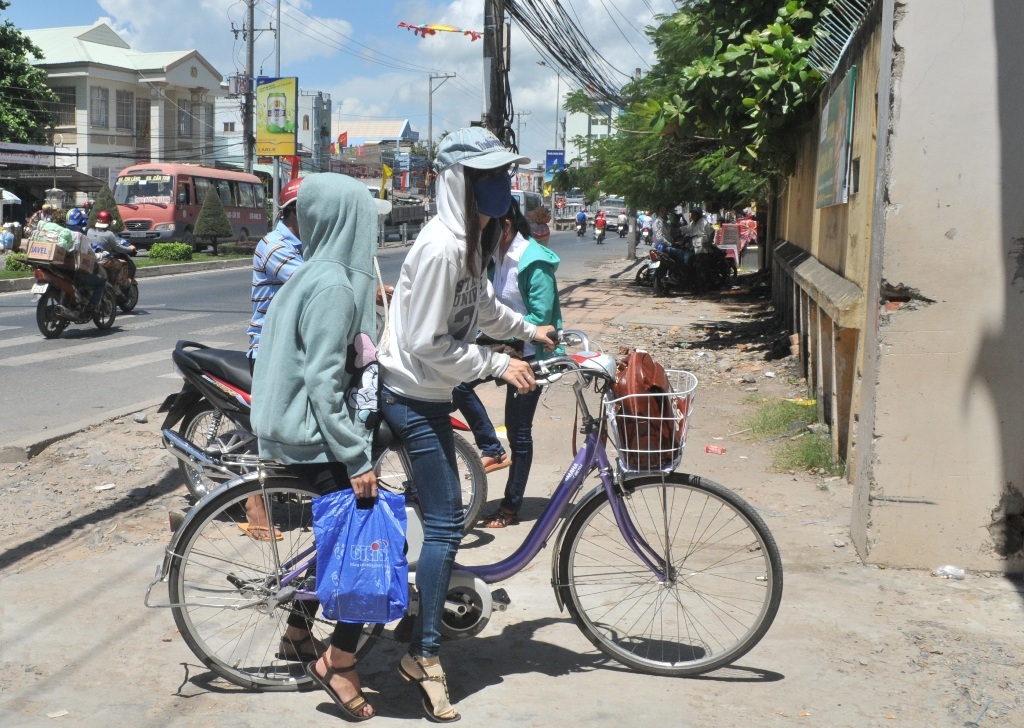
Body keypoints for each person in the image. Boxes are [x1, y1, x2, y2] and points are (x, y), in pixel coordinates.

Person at [377, 127, 555, 723]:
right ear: (459, 183)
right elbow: (428, 343)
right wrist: (498, 364)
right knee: (451, 520)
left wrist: (528, 331)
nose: (501, 187)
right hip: (410, 395)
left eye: (503, 175)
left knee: (437, 513)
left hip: (431, 390)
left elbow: (478, 308)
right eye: (488, 178)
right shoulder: (441, 247)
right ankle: (424, 656)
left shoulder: (474, 242)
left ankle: (414, 606)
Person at [250, 173, 386, 721]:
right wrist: (357, 457)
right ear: (346, 220)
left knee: (335, 543)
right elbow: (326, 382)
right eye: (365, 216)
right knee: (373, 548)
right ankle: (340, 659)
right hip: (315, 440)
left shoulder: (310, 274)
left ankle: (297, 634)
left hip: (289, 432)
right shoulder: (332, 286)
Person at [452, 197, 562, 528]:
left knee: (519, 432)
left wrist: (496, 331)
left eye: (487, 227)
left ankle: (510, 507)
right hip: (498, 343)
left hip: (530, 353)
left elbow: (542, 319)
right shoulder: (492, 256)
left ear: (507, 226)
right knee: (456, 383)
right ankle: (489, 445)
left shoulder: (533, 261)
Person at [246, 177, 304, 374]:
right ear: (297, 211)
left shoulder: (306, 245)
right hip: (270, 351)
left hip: (294, 346)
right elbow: (312, 284)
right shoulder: (275, 246)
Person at [88, 210, 137, 281]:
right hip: (105, 259)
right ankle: (117, 284)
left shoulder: (90, 231)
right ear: (109, 222)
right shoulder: (109, 234)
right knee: (123, 263)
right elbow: (118, 248)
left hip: (93, 257)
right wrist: (130, 248)